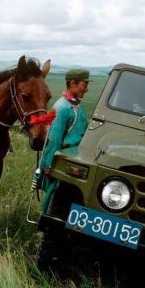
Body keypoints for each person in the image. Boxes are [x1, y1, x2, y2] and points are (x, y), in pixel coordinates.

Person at [38, 69, 91, 212]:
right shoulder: (61, 107)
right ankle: (47, 228)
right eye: (84, 84)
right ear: (73, 83)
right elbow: (54, 138)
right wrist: (49, 164)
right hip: (62, 164)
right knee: (55, 198)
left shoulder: (74, 106)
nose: (86, 89)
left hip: (74, 163)